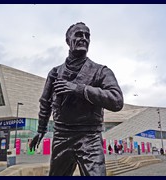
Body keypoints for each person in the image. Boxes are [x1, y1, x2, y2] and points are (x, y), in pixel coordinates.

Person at [29, 22, 124, 176]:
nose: (84, 38)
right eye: (79, 34)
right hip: (62, 136)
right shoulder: (55, 73)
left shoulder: (101, 71)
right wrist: (41, 130)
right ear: (68, 40)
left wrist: (80, 89)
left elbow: (117, 100)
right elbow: (45, 103)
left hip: (90, 136)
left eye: (87, 36)